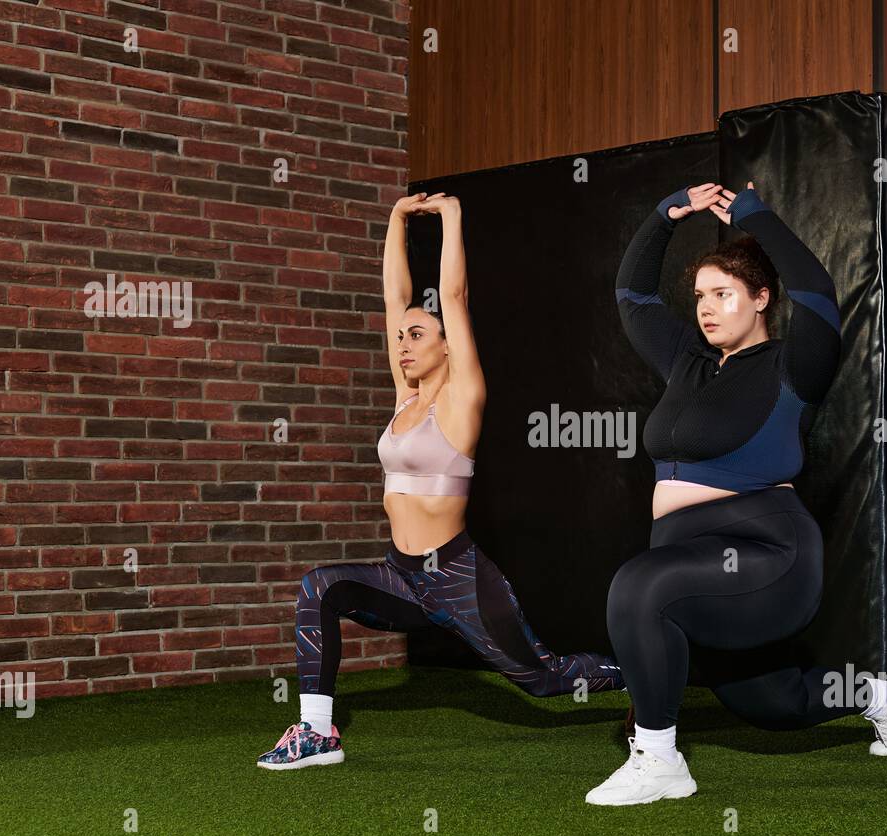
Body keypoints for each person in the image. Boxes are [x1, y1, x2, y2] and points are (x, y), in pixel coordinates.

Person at [586, 182, 887, 805]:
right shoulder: (687, 363)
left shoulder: (794, 367)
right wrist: (668, 212)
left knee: (638, 585)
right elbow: (633, 295)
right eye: (699, 297)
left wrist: (754, 216)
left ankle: (660, 761)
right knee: (775, 705)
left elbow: (818, 292)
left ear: (761, 298)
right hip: (690, 557)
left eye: (723, 294)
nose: (706, 308)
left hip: (766, 549)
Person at [259, 191, 623, 770]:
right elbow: (393, 299)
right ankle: (317, 733)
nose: (402, 346)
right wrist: (397, 219)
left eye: (417, 336)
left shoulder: (462, 401)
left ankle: (640, 676)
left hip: (456, 575)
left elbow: (451, 296)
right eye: (400, 338)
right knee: (318, 587)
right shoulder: (405, 399)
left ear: (448, 345)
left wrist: (451, 217)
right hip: (400, 577)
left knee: (546, 681)